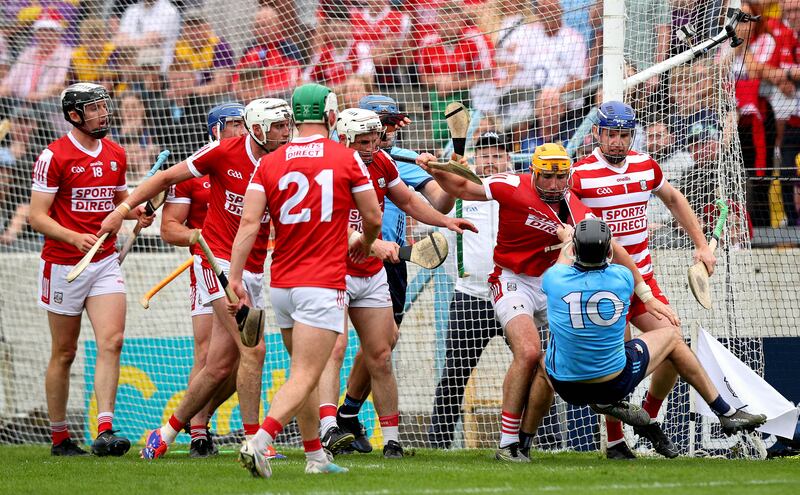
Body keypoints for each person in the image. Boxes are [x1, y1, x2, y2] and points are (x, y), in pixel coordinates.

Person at [418, 142, 677, 462]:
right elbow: (460, 186)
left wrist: (647, 296)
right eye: (547, 177)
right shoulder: (510, 184)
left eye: (561, 177)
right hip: (513, 281)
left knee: (582, 354)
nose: (554, 185)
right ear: (533, 172)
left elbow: (616, 249)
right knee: (527, 353)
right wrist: (436, 170)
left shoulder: (577, 208)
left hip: (554, 283)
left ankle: (610, 425)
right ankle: (509, 443)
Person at [98, 98, 294, 460]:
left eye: (288, 125)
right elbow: (164, 177)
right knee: (253, 349)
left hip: (251, 268)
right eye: (279, 126)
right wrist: (121, 210)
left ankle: (164, 434)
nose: (286, 132)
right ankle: (256, 444)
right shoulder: (221, 152)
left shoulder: (286, 160)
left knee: (219, 365)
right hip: (215, 260)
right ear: (259, 129)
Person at [231, 83, 382, 478]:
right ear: (332, 117)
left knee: (304, 372)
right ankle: (260, 441)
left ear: (294, 118)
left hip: (280, 283)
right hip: (322, 281)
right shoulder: (346, 158)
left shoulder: (269, 162)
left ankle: (316, 457)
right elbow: (374, 217)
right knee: (305, 375)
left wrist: (234, 276)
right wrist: (365, 243)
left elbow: (249, 224)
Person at [317, 108, 477, 458]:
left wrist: (445, 222)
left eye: (375, 138)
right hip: (333, 270)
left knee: (382, 352)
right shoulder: (328, 169)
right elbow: (331, 225)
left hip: (372, 273)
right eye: (364, 140)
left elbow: (406, 200)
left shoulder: (382, 163)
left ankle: (391, 440)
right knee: (336, 347)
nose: (372, 145)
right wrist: (374, 245)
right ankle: (329, 427)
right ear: (344, 139)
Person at [534, 218, 766, 452]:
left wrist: (567, 240)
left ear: (575, 249)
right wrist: (647, 296)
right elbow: (619, 258)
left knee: (536, 360)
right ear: (607, 251)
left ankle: (519, 442)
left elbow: (565, 260)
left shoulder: (554, 279)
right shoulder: (621, 278)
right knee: (672, 338)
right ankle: (724, 411)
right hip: (614, 384)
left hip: (566, 387)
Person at [566, 101, 716, 460]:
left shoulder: (646, 165)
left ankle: (647, 419)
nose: (618, 142)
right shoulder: (579, 174)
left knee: (674, 348)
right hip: (602, 281)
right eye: (611, 135)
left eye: (624, 135)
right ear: (597, 134)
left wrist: (700, 246)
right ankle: (617, 443)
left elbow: (675, 198)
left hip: (644, 280)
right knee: (615, 363)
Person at [29, 82, 154, 456]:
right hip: (64, 264)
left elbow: (118, 203)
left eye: (104, 106)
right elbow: (37, 216)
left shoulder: (116, 153)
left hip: (104, 262)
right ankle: (59, 437)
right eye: (95, 108)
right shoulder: (54, 156)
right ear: (74, 115)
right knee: (64, 352)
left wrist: (137, 214)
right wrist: (73, 237)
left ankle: (104, 430)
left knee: (112, 341)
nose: (103, 113)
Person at [159, 102, 245, 458]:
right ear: (216, 130)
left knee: (237, 358)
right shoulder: (192, 172)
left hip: (243, 268)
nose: (244, 130)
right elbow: (169, 228)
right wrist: (196, 236)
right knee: (208, 351)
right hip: (208, 266)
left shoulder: (252, 163)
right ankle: (197, 431)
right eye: (237, 124)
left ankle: (200, 418)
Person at [428, 131, 513, 448]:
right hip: (470, 296)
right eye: (486, 154)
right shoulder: (462, 192)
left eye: (499, 153)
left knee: (536, 367)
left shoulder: (518, 190)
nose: (492, 159)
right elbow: (439, 206)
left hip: (514, 295)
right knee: (454, 374)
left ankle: (543, 439)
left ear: (509, 158)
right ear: (476, 158)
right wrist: (451, 176)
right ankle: (438, 444)